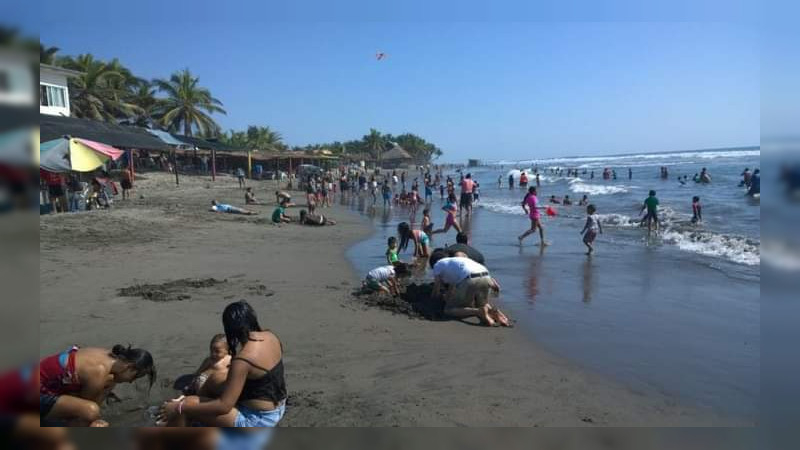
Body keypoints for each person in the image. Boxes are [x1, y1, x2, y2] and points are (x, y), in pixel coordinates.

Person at [158, 300, 287, 427]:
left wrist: (179, 407)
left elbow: (224, 406)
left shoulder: (243, 360)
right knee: (214, 379)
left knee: (188, 404)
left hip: (257, 419)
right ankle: (197, 420)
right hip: (278, 404)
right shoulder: (271, 336)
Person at [40, 344, 156, 426]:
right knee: (91, 411)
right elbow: (86, 406)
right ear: (129, 367)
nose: (131, 381)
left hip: (46, 383)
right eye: (134, 377)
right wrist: (95, 421)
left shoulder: (109, 357)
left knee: (108, 384)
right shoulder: (99, 371)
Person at [429, 251, 509, 327]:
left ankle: (478, 312)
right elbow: (451, 288)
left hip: (470, 278)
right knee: (482, 304)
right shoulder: (454, 263)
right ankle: (494, 312)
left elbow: (437, 287)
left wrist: (433, 300)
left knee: (449, 310)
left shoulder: (437, 265)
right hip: (486, 275)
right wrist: (448, 298)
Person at [187, 334, 231, 399]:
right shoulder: (209, 360)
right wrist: (192, 382)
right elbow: (199, 371)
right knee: (201, 391)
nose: (213, 354)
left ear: (227, 350)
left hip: (219, 383)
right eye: (211, 350)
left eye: (217, 351)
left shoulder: (230, 359)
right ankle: (201, 398)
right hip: (204, 381)